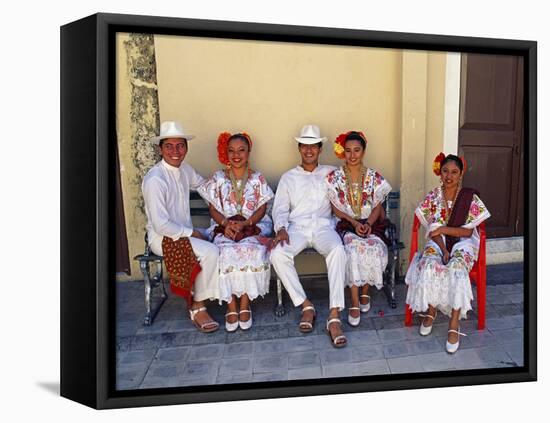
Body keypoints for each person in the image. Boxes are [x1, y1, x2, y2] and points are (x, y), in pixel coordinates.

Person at [270, 124, 348, 348]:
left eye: (313, 146)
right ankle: (306, 305)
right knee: (277, 254)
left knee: (337, 250)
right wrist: (281, 228)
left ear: (320, 148)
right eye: (304, 146)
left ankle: (334, 316)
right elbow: (280, 209)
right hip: (297, 228)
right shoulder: (288, 177)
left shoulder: (331, 174)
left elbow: (350, 191)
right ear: (299, 148)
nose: (309, 150)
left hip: (324, 227)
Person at [405, 153, 490, 353]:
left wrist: (444, 230)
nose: (449, 176)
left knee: (457, 270)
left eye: (454, 172)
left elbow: (468, 232)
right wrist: (443, 250)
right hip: (439, 243)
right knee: (429, 266)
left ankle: (454, 323)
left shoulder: (469, 198)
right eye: (445, 171)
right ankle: (431, 311)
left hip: (463, 244)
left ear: (461, 174)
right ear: (439, 173)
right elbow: (432, 231)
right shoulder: (433, 196)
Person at [142, 121, 220, 333]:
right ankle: (197, 307)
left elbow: (203, 186)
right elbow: (161, 224)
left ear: (186, 148)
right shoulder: (155, 180)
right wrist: (193, 233)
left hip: (185, 233)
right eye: (169, 146)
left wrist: (226, 180)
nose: (175, 151)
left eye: (180, 146)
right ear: (160, 149)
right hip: (163, 238)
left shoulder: (184, 169)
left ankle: (226, 293)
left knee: (220, 237)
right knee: (211, 252)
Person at [197, 132, 274, 332]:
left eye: (241, 150)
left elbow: (262, 208)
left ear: (249, 152)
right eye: (231, 151)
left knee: (251, 250)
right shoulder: (218, 178)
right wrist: (226, 223)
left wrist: (246, 223)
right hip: (225, 226)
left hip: (251, 225)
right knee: (222, 252)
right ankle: (230, 305)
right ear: (226, 153)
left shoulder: (257, 178)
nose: (236, 155)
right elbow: (213, 207)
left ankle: (244, 304)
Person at [325, 131, 392, 327]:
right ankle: (354, 300)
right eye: (348, 151)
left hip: (371, 223)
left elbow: (377, 205)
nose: (352, 155)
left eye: (357, 150)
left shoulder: (373, 177)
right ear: (342, 152)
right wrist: (355, 224)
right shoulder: (335, 178)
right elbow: (335, 208)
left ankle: (365, 291)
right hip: (348, 223)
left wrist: (369, 224)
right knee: (353, 250)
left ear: (363, 151)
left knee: (373, 248)